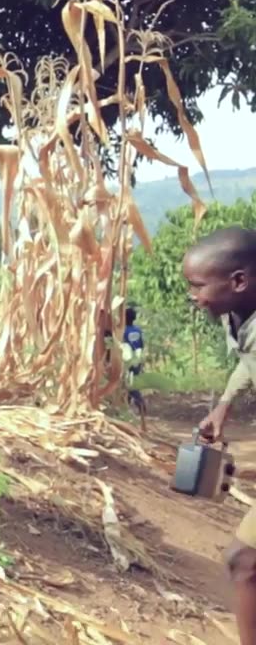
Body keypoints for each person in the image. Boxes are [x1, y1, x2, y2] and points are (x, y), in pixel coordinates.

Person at [186, 226, 256, 645]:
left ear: (239, 281)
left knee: (244, 561)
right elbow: (249, 361)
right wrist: (224, 404)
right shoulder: (242, 315)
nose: (194, 297)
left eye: (198, 287)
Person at [123, 307, 145, 413]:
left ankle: (140, 403)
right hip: (137, 358)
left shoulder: (123, 331)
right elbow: (141, 344)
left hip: (128, 359)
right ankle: (126, 406)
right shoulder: (138, 330)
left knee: (128, 384)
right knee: (132, 382)